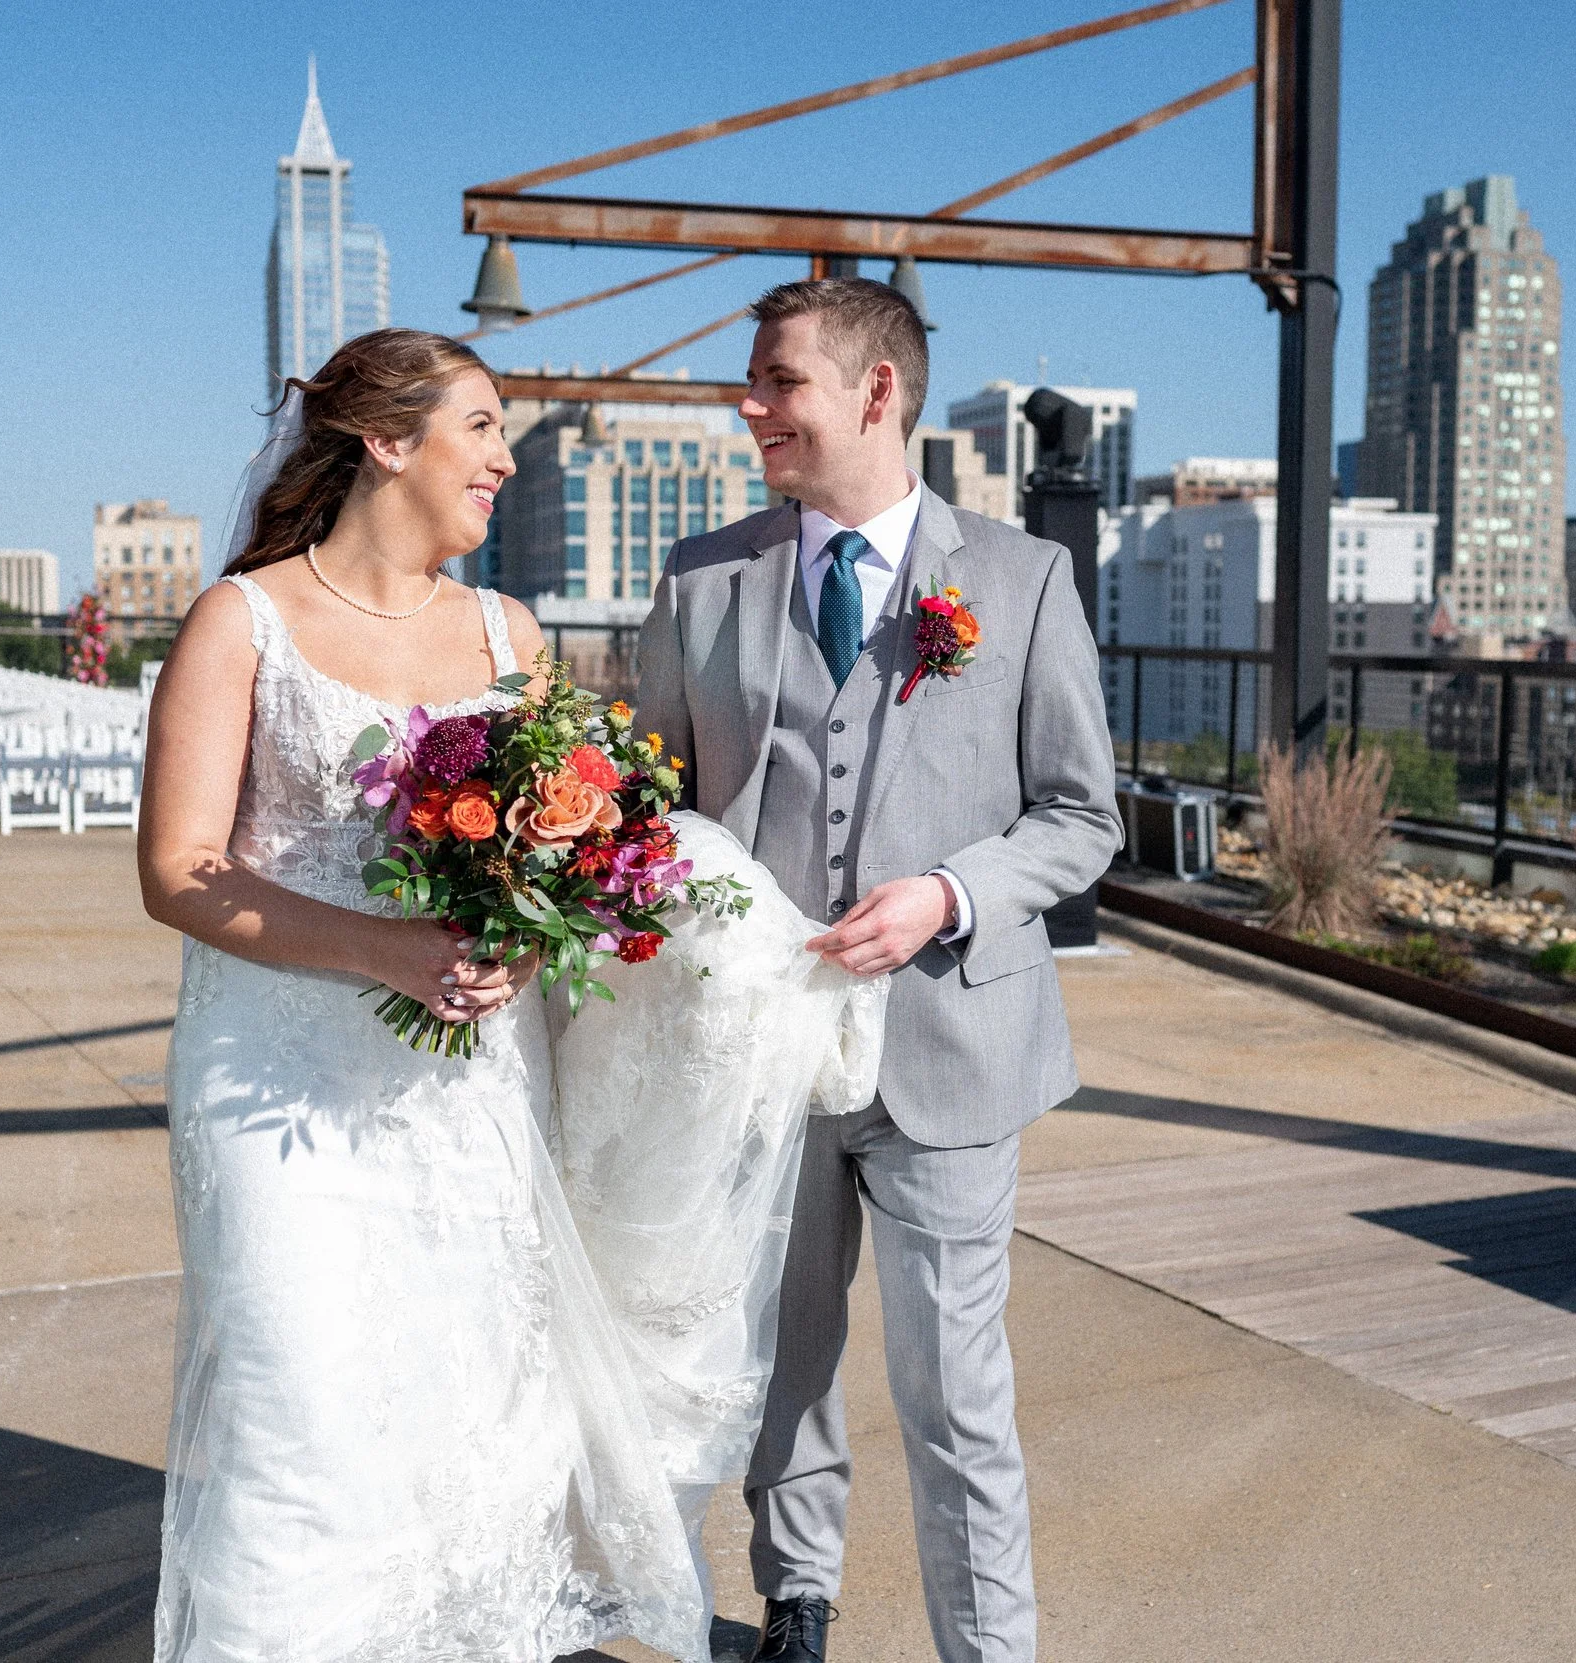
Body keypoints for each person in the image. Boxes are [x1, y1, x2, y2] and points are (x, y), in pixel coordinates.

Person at [139, 328, 874, 1662]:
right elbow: (180, 872)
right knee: (300, 1404)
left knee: (455, 1411)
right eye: (481, 426)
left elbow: (569, 859)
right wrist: (389, 950)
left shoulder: (506, 632)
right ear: (386, 440)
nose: (506, 456)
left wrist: (527, 941)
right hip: (275, 1081)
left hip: (466, 1086)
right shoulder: (239, 621)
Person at [637, 278, 1123, 1663]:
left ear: (874, 393)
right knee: (780, 1362)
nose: (751, 404)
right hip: (759, 1051)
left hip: (951, 1047)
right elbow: (646, 807)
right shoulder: (702, 578)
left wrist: (952, 893)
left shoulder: (1023, 581)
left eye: (777, 380)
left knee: (956, 1391)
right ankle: (798, 1602)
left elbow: (1083, 818)